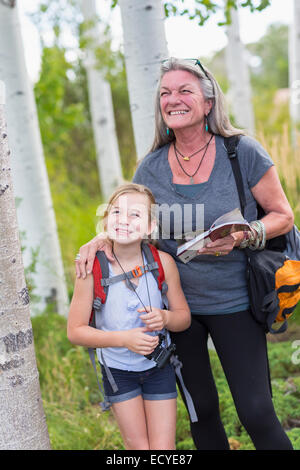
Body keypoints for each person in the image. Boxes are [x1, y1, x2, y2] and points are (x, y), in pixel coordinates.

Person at [75, 58, 294, 450]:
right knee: (203, 411)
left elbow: (283, 216)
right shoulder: (151, 168)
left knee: (257, 411)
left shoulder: (241, 152)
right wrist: (99, 241)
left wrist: (246, 233)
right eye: (165, 93)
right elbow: (130, 223)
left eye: (184, 91)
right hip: (175, 312)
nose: (173, 100)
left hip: (236, 302)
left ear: (208, 103)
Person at [67, 182, 191, 450]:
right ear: (105, 220)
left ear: (149, 227)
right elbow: (75, 331)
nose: (124, 220)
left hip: (158, 368)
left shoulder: (162, 263)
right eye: (116, 213)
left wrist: (165, 318)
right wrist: (124, 339)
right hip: (118, 372)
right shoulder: (92, 269)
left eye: (135, 215)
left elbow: (183, 317)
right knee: (139, 449)